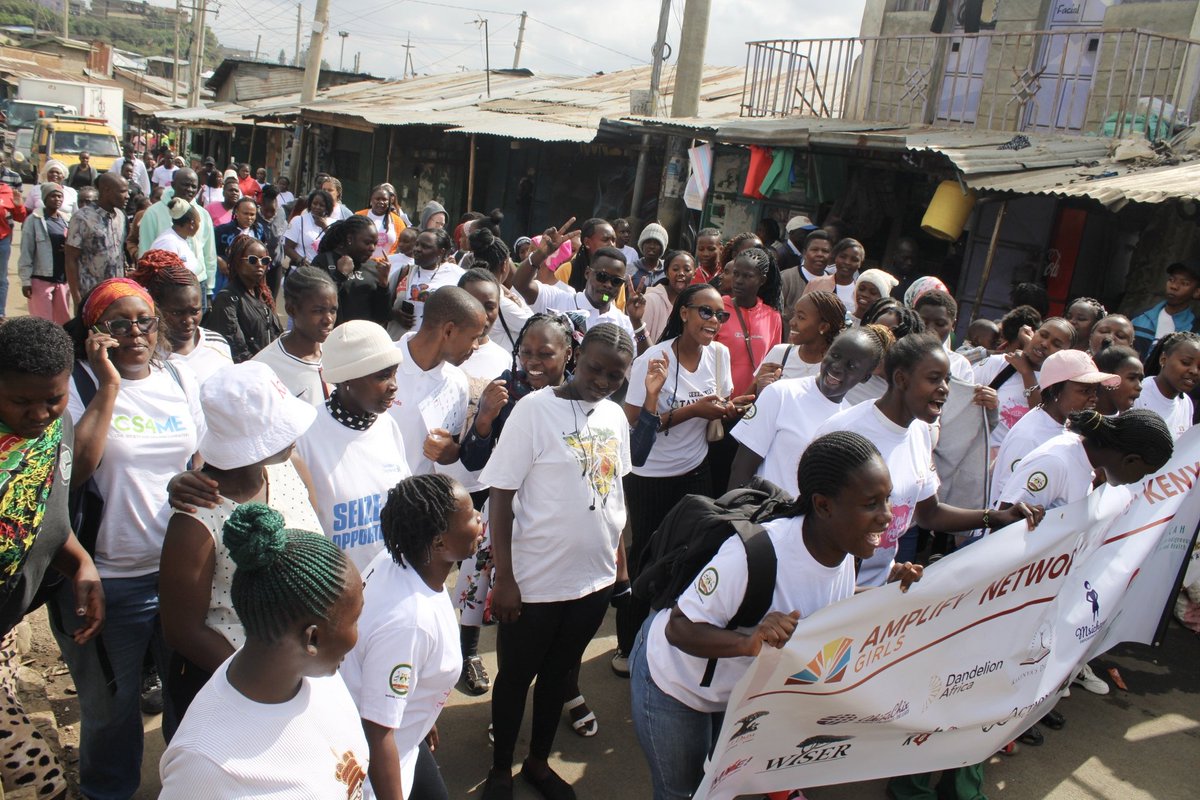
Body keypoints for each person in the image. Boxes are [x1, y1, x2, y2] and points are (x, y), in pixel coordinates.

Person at [632, 431, 922, 800]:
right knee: (682, 792)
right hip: (674, 683)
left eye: (887, 499)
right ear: (823, 505)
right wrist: (748, 641)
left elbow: (828, 603)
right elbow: (678, 627)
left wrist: (891, 592)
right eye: (871, 504)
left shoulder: (845, 550)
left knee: (719, 784)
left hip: (731, 693)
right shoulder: (754, 555)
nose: (886, 517)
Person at [53, 278, 205, 797]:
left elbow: (198, 457)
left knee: (190, 702)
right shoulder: (78, 384)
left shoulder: (176, 376)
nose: (136, 333)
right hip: (105, 582)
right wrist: (110, 383)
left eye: (145, 321)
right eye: (120, 324)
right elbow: (75, 469)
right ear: (95, 333)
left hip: (178, 576)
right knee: (110, 713)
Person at [479, 323, 635, 800]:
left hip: (592, 581)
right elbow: (501, 496)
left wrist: (619, 569)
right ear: (576, 355)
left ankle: (538, 764)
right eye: (595, 368)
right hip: (535, 582)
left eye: (616, 375)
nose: (603, 382)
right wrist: (504, 579)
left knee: (559, 676)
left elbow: (613, 495)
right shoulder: (534, 410)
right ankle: (500, 769)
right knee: (515, 679)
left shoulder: (614, 417)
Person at [158, 502, 368, 797]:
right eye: (356, 619)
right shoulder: (204, 764)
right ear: (312, 640)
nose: (360, 631)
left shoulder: (320, 677)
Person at [815, 334, 1043, 587]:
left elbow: (929, 514)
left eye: (946, 380)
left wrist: (997, 517)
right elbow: (810, 522)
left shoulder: (919, 431)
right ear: (901, 379)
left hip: (874, 595)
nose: (945, 389)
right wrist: (845, 589)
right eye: (934, 379)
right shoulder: (845, 431)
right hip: (830, 593)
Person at [159, 362, 319, 719]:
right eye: (279, 428)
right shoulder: (195, 519)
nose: (293, 436)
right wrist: (264, 680)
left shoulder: (288, 468)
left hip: (302, 672)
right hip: (235, 689)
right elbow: (183, 631)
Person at [0, 318, 105, 800]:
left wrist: (79, 563)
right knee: (38, 776)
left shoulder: (54, 428)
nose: (40, 413)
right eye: (21, 401)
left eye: (54, 398)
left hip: (8, 622)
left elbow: (43, 518)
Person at [614, 284, 741, 674]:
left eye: (721, 316)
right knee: (647, 558)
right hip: (651, 475)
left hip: (696, 470)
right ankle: (627, 646)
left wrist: (747, 400)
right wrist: (691, 412)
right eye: (706, 312)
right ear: (683, 313)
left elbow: (723, 409)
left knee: (694, 554)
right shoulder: (655, 360)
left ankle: (671, 637)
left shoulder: (719, 356)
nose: (714, 322)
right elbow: (633, 426)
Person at [456, 312, 582, 699]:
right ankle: (470, 655)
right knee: (477, 587)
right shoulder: (504, 390)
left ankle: (564, 685)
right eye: (526, 352)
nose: (533, 362)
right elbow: (474, 461)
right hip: (503, 511)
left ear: (568, 354)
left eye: (545, 353)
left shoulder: (582, 399)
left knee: (556, 607)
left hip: (556, 518)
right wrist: (485, 418)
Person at [342, 475, 483, 800]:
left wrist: (421, 715)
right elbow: (376, 733)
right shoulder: (410, 623)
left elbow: (396, 680)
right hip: (378, 773)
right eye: (470, 515)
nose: (479, 519)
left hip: (408, 737)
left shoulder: (392, 560)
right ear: (438, 543)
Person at [295, 320, 413, 570]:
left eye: (394, 373)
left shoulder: (388, 426)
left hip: (388, 580)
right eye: (382, 376)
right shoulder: (305, 434)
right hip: (334, 586)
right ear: (347, 378)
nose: (394, 385)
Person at [730, 325, 888, 495]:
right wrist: (734, 517)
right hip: (763, 517)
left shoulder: (853, 421)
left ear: (865, 377)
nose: (837, 367)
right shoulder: (781, 393)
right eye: (835, 355)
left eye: (851, 366)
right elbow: (741, 469)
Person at [988, 349, 1119, 510]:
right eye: (1084, 391)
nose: (1093, 398)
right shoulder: (1029, 437)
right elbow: (1008, 505)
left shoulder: (1066, 425)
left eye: (1095, 391)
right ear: (1054, 390)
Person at [388, 286, 484, 475]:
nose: (476, 346)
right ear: (448, 331)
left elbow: (451, 448)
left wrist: (450, 452)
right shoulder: (381, 363)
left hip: (416, 499)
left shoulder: (458, 383)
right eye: (473, 337)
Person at [130, 249, 232, 384]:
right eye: (177, 313)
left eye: (195, 312)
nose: (188, 321)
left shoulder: (217, 344)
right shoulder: (144, 353)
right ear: (156, 309)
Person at [972, 316, 1075, 448]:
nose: (1045, 344)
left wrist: (1026, 372)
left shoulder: (1059, 386)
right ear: (1034, 333)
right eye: (1043, 335)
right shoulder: (999, 364)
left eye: (1056, 344)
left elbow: (1043, 419)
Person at [253, 266, 337, 405]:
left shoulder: (339, 350)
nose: (328, 319)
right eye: (318, 311)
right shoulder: (264, 368)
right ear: (291, 310)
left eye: (333, 310)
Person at [138, 169, 217, 297]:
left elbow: (209, 254)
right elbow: (145, 253)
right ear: (173, 185)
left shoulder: (203, 214)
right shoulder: (153, 213)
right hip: (167, 287)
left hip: (198, 283)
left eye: (193, 186)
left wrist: (209, 289)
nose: (190, 189)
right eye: (185, 185)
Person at [715, 246, 783, 396]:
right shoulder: (717, 308)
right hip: (718, 402)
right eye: (736, 274)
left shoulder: (772, 316)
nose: (738, 281)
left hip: (752, 403)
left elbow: (772, 365)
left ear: (762, 280)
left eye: (747, 276)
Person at [205, 234, 284, 362]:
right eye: (252, 260)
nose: (260, 265)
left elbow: (278, 335)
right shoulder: (227, 299)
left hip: (270, 368)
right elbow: (236, 349)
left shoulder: (264, 295)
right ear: (237, 262)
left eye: (264, 261)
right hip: (247, 371)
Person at [750, 290, 847, 394]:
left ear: (823, 327)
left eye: (801, 317)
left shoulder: (835, 369)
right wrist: (760, 387)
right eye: (794, 314)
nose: (792, 322)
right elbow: (745, 403)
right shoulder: (780, 353)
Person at [64, 172, 128, 311]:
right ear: (106, 190)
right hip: (90, 295)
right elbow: (70, 259)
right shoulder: (82, 218)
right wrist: (76, 299)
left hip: (116, 293)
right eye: (123, 191)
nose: (127, 196)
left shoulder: (120, 216)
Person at [313, 215, 390, 326]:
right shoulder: (324, 261)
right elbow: (316, 301)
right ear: (350, 239)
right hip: (333, 336)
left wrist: (384, 284)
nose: (372, 248)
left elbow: (382, 316)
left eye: (375, 243)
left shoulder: (374, 267)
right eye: (367, 242)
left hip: (364, 337)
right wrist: (340, 275)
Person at [389, 227, 465, 335]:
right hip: (401, 344)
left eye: (425, 247)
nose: (417, 249)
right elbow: (381, 305)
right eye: (417, 244)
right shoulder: (404, 272)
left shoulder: (458, 275)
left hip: (436, 346)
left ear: (441, 252)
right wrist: (394, 314)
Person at [467, 227, 532, 350]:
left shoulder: (467, 289)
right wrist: (519, 301)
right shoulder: (501, 303)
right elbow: (536, 325)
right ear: (504, 265)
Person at [19, 182, 72, 324]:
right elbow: (26, 251)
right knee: (41, 322)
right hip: (41, 279)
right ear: (45, 198)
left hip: (62, 279)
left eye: (60, 196)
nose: (57, 199)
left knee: (63, 322)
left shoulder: (67, 220)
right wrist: (25, 281)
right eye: (53, 196)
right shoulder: (34, 220)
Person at [1136, 331, 1200, 439]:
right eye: (1185, 362)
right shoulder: (1137, 394)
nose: (1194, 371)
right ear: (1163, 359)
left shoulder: (1186, 403)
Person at [1132, 260, 1200, 357]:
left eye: (1184, 283)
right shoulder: (1140, 318)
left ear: (1197, 292)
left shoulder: (1195, 329)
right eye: (1171, 280)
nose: (1174, 286)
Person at [642, 250, 697, 343]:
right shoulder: (651, 300)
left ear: (694, 274)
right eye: (675, 269)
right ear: (667, 273)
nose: (681, 273)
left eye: (687, 270)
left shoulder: (693, 304)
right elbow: (639, 338)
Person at [803, 237, 864, 310]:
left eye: (854, 260)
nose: (847, 262)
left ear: (860, 263)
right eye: (843, 257)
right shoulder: (815, 283)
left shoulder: (860, 293)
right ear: (836, 257)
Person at [285, 188, 334, 267]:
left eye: (321, 205)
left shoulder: (333, 223)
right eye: (314, 203)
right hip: (301, 270)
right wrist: (300, 260)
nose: (317, 207)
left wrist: (325, 227)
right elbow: (287, 248)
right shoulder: (298, 221)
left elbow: (336, 247)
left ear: (327, 207)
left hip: (323, 272)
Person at [358, 184, 408, 260]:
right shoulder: (358, 216)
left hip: (388, 265)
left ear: (389, 202)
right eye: (377, 199)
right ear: (371, 200)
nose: (381, 202)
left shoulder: (398, 222)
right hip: (362, 264)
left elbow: (402, 245)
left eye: (384, 199)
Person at [0, 176, 25, 322]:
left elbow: (21, 217)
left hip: (2, 240)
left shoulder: (7, 191)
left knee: (1, 278)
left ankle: (0, 312)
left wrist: (19, 205)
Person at [1093, 344, 1144, 415]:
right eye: (1132, 378)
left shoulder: (1134, 424)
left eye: (1140, 380)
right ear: (1106, 379)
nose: (1139, 387)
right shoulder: (1076, 420)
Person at [630, 222, 669, 291]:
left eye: (657, 243)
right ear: (642, 245)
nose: (652, 246)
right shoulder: (630, 268)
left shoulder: (668, 270)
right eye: (648, 242)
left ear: (663, 248)